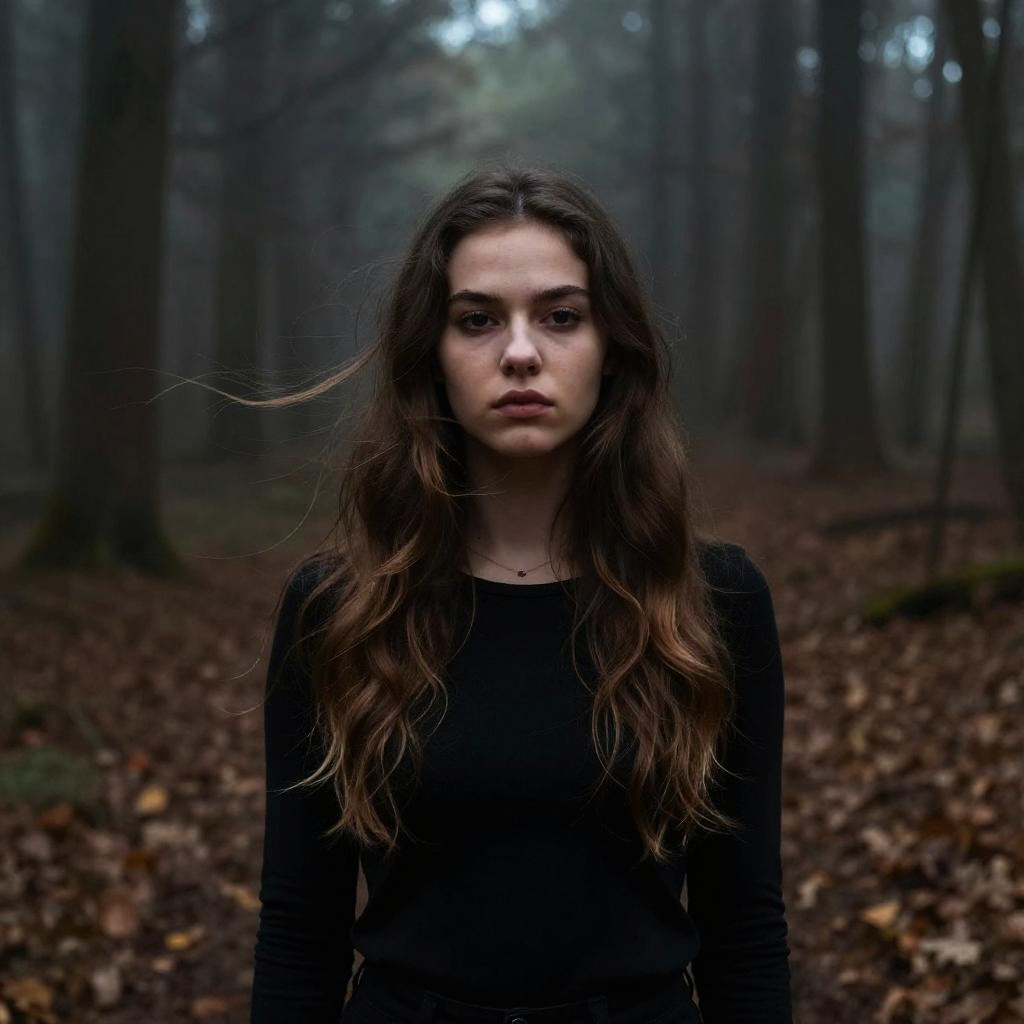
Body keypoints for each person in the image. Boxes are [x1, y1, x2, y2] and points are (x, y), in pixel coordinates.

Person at [249, 164, 793, 1024]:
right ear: (430, 352)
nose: (520, 351)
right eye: (476, 320)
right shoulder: (337, 611)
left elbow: (745, 925)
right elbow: (299, 930)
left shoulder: (713, 602)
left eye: (561, 316)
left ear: (613, 348)